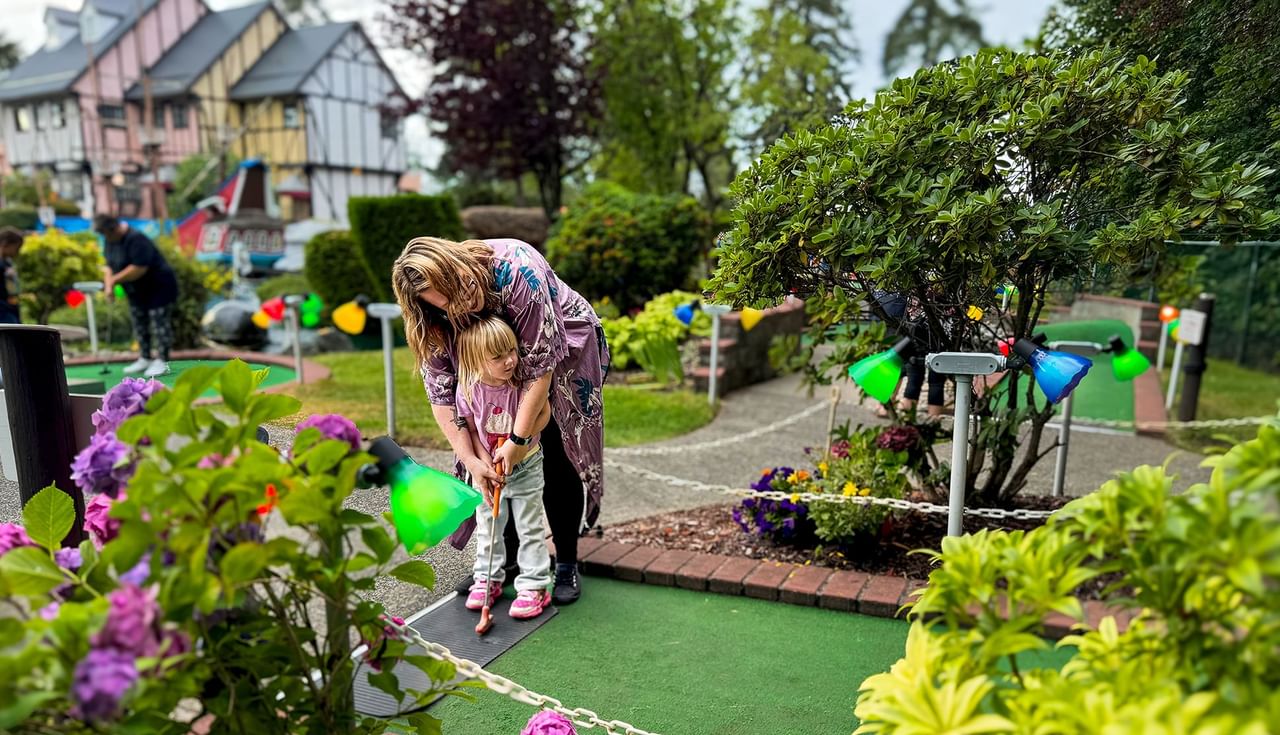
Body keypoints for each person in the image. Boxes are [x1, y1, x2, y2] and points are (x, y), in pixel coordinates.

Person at [391, 237, 609, 605]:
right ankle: (503, 564)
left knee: (556, 452)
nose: (463, 305)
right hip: (487, 360)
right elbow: (442, 394)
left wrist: (519, 441)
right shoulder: (433, 316)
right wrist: (473, 460)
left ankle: (566, 562)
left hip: (563, 351)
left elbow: (540, 371)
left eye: (462, 289)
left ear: (461, 266)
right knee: (489, 460)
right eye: (448, 306)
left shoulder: (519, 271)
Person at [456, 315, 554, 619]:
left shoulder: (521, 384)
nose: (510, 360)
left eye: (512, 351)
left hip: (525, 467)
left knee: (530, 528)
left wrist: (518, 448)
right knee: (489, 527)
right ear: (476, 361)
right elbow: (471, 430)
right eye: (498, 357)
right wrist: (483, 462)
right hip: (487, 473)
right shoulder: (468, 390)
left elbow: (544, 414)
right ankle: (488, 579)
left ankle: (534, 586)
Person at [94, 215, 179, 378]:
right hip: (136, 290)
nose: (105, 237)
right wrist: (109, 285)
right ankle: (145, 358)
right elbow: (108, 267)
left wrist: (114, 280)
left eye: (106, 233)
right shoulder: (110, 241)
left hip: (158, 287)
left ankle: (163, 360)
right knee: (139, 322)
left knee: (159, 324)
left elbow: (139, 268)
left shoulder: (136, 239)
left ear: (115, 228)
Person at [0, 227, 23, 325]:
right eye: (17, 247)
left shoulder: (8, 263)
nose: (18, 251)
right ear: (6, 244)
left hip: (10, 309)